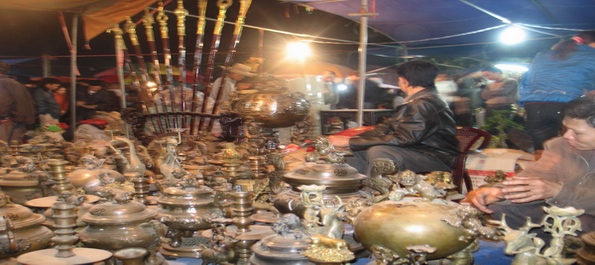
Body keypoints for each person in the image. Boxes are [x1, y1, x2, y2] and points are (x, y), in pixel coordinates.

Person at [462, 95, 595, 237]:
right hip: (562, 209)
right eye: (566, 128)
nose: (567, 136)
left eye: (577, 133)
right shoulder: (560, 146)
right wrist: (498, 190)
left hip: (586, 216)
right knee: (497, 210)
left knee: (572, 224)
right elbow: (532, 176)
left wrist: (557, 191)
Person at [329, 60, 459, 176]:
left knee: (381, 152)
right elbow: (383, 128)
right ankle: (353, 189)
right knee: (355, 151)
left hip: (435, 157)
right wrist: (352, 140)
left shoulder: (424, 103)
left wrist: (349, 142)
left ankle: (376, 193)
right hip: (417, 151)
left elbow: (403, 139)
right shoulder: (418, 100)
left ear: (404, 81)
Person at [519, 31, 595, 151]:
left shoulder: (542, 55)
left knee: (542, 150)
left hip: (534, 106)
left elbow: (525, 81)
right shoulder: (591, 54)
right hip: (568, 106)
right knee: (569, 150)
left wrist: (525, 103)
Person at [0, 62, 36, 144]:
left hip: (6, 122)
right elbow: (31, 103)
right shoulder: (17, 84)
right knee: (15, 150)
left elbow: (2, 104)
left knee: (3, 150)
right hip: (19, 121)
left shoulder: (2, 83)